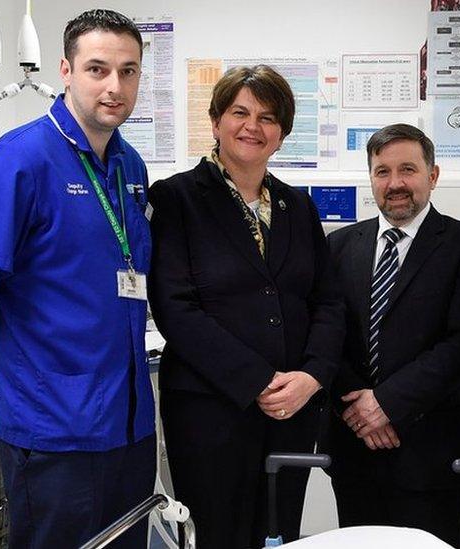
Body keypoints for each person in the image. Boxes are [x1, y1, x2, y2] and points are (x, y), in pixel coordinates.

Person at [0, 9, 155, 548]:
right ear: (65, 70)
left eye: (128, 71)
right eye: (98, 69)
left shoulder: (129, 166)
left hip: (128, 426)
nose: (115, 87)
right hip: (55, 431)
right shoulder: (21, 159)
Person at [147, 64, 343, 548]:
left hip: (293, 411)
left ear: (282, 136)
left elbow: (328, 300)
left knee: (281, 533)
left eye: (268, 117)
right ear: (215, 122)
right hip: (211, 412)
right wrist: (256, 380)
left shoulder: (299, 206)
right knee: (218, 535)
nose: (253, 126)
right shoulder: (175, 199)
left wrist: (312, 376)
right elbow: (175, 309)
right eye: (240, 112)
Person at [323, 124, 460, 549]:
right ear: (370, 178)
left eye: (408, 169)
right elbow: (326, 333)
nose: (395, 183)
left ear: (432, 175)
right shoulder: (340, 246)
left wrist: (387, 404)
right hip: (354, 443)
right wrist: (359, 407)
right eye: (382, 171)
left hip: (432, 449)